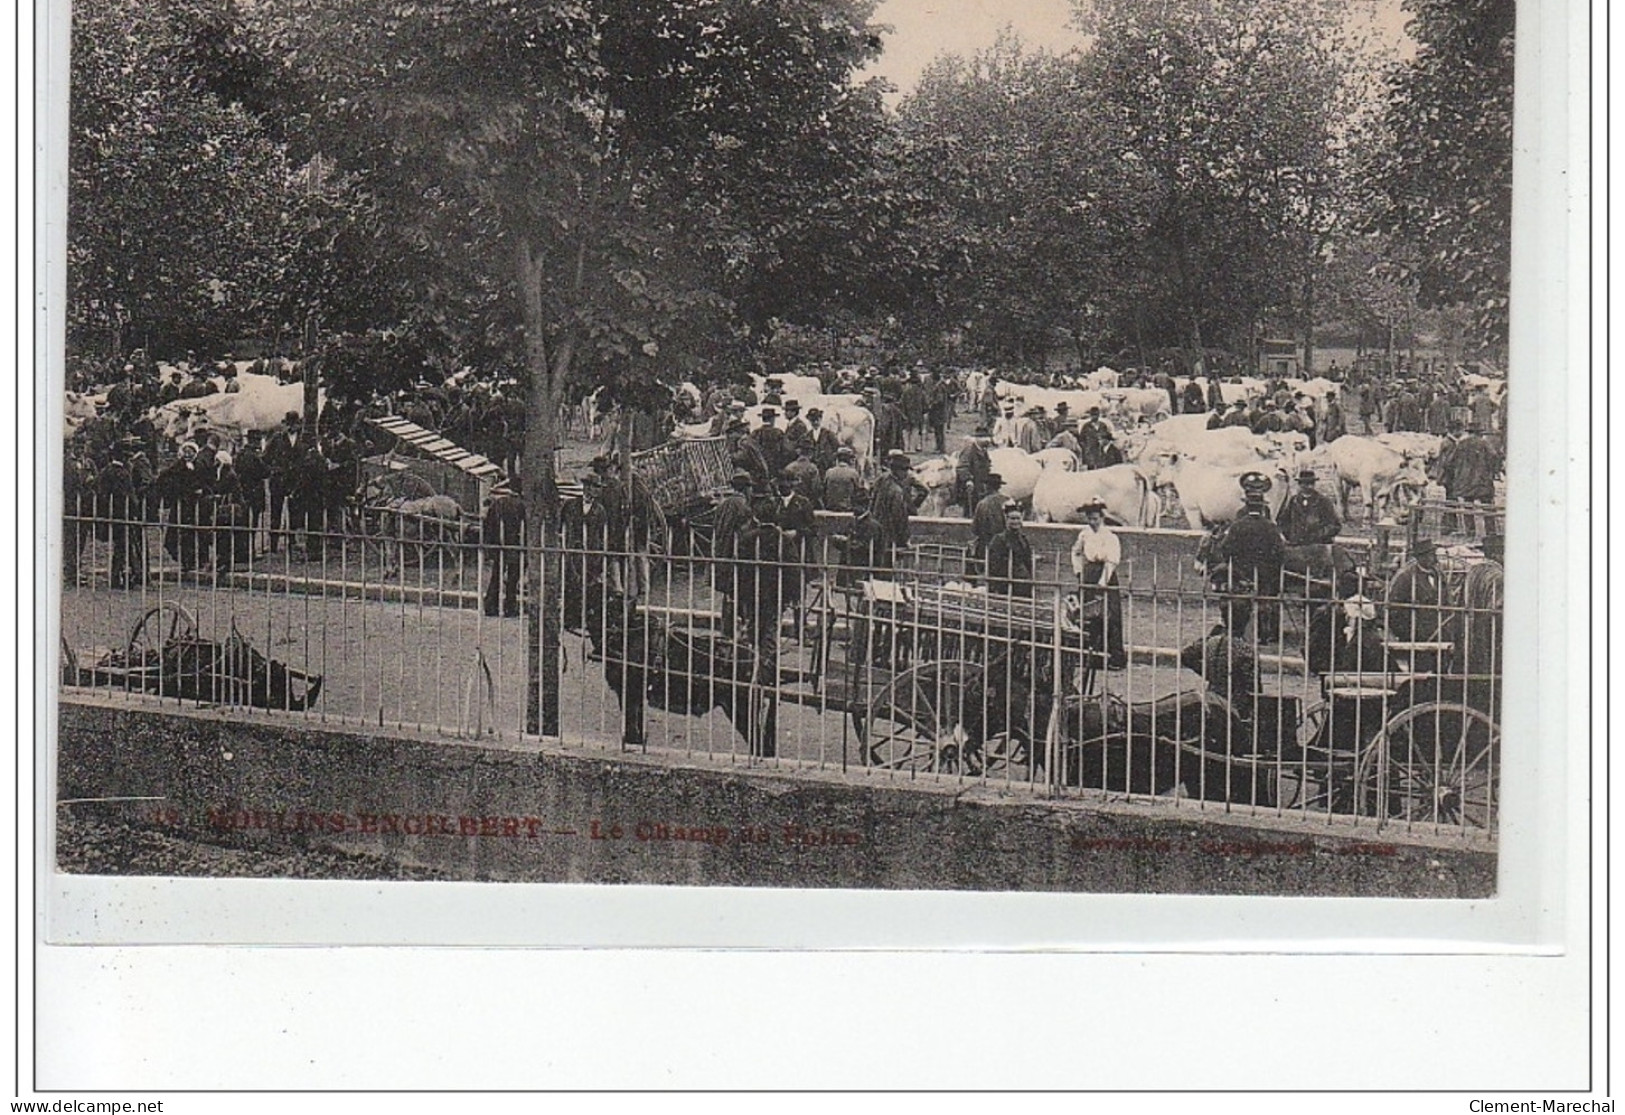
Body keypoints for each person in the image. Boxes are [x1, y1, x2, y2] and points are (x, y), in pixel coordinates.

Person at [1214, 472, 1287, 641]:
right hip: (1265, 572)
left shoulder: (1238, 525)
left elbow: (1226, 548)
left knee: (1240, 599)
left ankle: (1238, 632)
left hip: (1242, 571)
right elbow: (1280, 551)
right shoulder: (1269, 526)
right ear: (1262, 506)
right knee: (1267, 600)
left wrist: (1237, 563)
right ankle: (1266, 634)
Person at [1070, 497, 1126, 669]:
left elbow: (1112, 561)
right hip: (1089, 574)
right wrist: (1079, 571)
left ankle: (1114, 657)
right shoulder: (1084, 534)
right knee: (1088, 615)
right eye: (1089, 518)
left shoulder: (1110, 537)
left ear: (1102, 518)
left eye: (1095, 518)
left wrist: (1103, 583)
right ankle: (1093, 656)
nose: (1092, 522)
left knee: (1109, 616)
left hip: (1105, 576)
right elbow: (1076, 551)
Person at [1385, 537, 1455, 657]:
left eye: (1433, 555)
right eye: (1430, 555)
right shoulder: (1405, 577)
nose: (1434, 559)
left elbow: (1448, 601)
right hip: (1418, 637)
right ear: (1420, 557)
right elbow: (1394, 609)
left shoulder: (1438, 575)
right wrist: (1408, 634)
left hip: (1440, 633)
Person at [482, 478, 526, 618]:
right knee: (513, 579)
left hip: (499, 545)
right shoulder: (523, 506)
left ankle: (490, 606)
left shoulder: (498, 503)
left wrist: (490, 546)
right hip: (516, 546)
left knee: (496, 575)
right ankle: (510, 608)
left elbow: (488, 525)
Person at [867, 450, 914, 574]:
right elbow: (900, 518)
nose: (906, 473)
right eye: (905, 470)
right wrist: (904, 539)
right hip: (888, 535)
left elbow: (870, 499)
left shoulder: (881, 479)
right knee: (885, 570)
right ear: (898, 471)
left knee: (873, 566)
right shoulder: (897, 491)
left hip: (874, 529)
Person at [1276, 469, 1341, 546]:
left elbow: (1335, 525)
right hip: (1297, 546)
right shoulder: (1293, 501)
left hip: (1318, 546)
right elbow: (1283, 521)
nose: (1309, 486)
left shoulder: (1323, 502)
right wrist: (1291, 536)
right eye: (1305, 483)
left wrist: (1319, 535)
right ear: (1300, 484)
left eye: (1311, 483)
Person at [984, 500, 1034, 598]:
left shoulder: (1023, 540)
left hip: (1024, 586)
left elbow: (1028, 562)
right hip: (1008, 586)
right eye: (1012, 518)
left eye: (1018, 518)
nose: (1015, 522)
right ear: (1006, 519)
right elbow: (994, 566)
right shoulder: (999, 540)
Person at [969, 473, 1008, 575]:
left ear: (987, 486)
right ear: (999, 486)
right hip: (1007, 544)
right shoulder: (1009, 501)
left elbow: (975, 529)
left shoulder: (982, 504)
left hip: (988, 544)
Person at [955, 423, 994, 513]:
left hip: (981, 486)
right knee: (970, 511)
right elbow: (961, 467)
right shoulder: (969, 451)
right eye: (984, 438)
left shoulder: (983, 450)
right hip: (970, 488)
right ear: (978, 439)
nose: (988, 441)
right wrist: (968, 479)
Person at [821, 446, 864, 512]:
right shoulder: (853, 473)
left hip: (830, 508)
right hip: (847, 509)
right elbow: (859, 493)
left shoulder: (829, 472)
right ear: (849, 460)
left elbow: (824, 491)